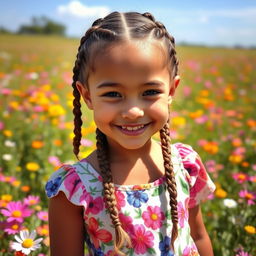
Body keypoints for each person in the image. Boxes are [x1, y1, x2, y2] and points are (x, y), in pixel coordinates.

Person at [45, 11, 216, 256]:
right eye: (113, 94)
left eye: (150, 92)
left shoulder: (185, 165)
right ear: (87, 96)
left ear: (171, 90)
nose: (133, 112)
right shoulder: (73, 189)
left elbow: (198, 236)